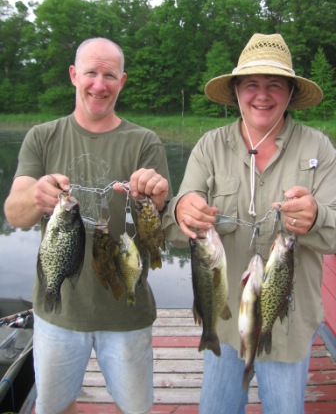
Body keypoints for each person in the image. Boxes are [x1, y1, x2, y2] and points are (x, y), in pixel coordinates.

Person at [162, 33, 336, 414]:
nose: (262, 95)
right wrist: (181, 211)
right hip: (222, 325)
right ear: (236, 90)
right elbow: (174, 232)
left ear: (290, 93)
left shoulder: (319, 149)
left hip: (287, 325)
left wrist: (318, 216)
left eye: (274, 84)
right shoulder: (209, 146)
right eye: (252, 84)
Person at [4, 37, 172, 414]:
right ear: (73, 75)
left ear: (122, 81)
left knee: (135, 407)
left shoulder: (144, 141)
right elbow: (14, 214)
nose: (99, 84)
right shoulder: (42, 137)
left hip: (126, 314)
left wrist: (157, 198)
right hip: (58, 313)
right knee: (55, 406)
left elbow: (159, 225)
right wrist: (35, 197)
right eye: (91, 73)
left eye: (109, 75)